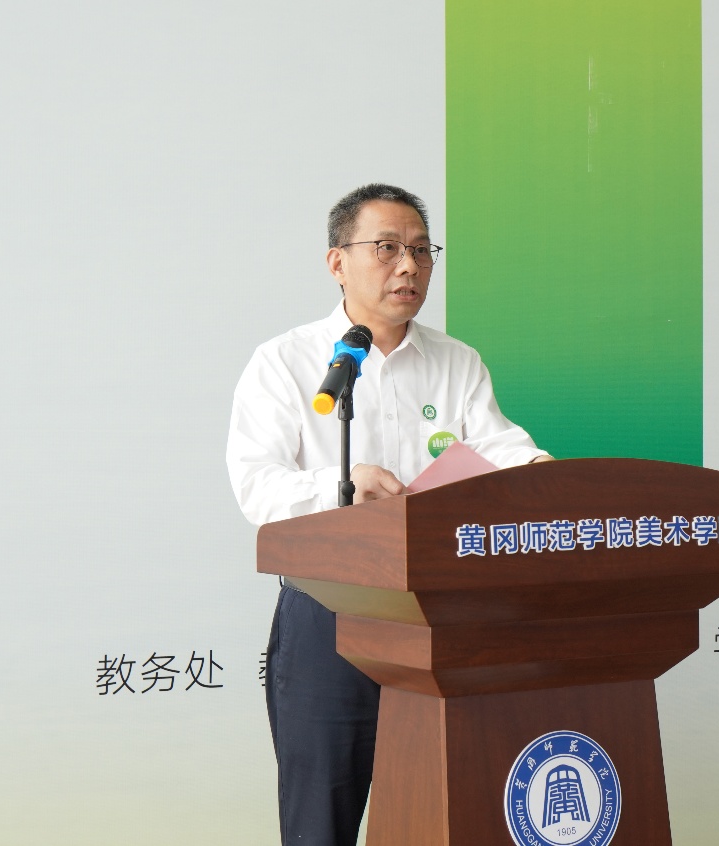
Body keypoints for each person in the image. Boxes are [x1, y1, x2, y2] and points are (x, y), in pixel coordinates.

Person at [226, 183, 551, 845]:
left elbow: (500, 448)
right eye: (387, 248)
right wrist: (342, 488)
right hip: (330, 616)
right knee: (321, 821)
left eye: (421, 251)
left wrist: (541, 473)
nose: (408, 266)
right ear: (337, 262)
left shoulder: (456, 362)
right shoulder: (286, 362)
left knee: (444, 811)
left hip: (442, 616)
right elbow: (257, 487)